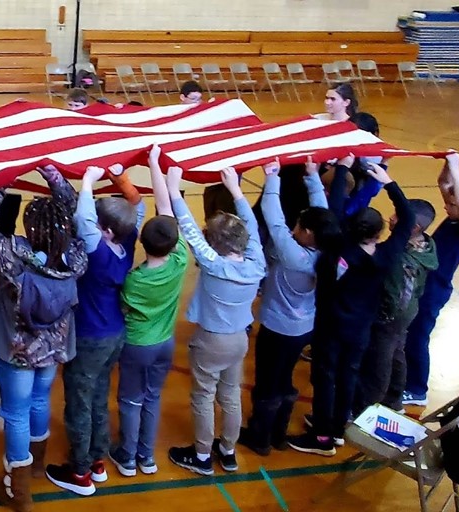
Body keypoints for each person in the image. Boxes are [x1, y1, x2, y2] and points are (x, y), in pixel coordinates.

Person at [0, 165, 86, 509]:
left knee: (15, 412)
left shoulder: (13, 256)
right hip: (53, 348)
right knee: (39, 400)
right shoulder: (76, 257)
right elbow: (77, 216)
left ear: (30, 229)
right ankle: (35, 461)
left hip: (17, 351)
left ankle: (17, 490)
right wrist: (55, 178)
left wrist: (2, 179)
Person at [287, 155, 412, 457]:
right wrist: (390, 185)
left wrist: (342, 168)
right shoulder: (386, 255)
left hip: (330, 326)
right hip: (360, 329)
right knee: (349, 374)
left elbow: (337, 207)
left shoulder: (337, 248)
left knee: (325, 377)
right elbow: (407, 219)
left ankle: (321, 437)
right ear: (379, 233)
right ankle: (339, 426)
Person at [47, 163, 143, 496]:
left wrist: (88, 181)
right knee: (99, 397)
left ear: (108, 231)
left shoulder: (98, 253)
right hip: (115, 333)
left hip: (89, 337)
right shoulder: (126, 245)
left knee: (79, 404)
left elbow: (84, 221)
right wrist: (119, 177)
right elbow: (138, 206)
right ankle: (98, 458)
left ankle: (80, 472)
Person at [166, 165, 266, 476]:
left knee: (204, 396)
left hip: (211, 339)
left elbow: (190, 232)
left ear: (214, 243)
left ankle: (201, 455)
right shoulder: (256, 262)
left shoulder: (214, 265)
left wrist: (173, 190)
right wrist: (236, 191)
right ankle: (228, 450)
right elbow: (251, 229)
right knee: (231, 393)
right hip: (238, 339)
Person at [238, 157, 340, 456]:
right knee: (284, 379)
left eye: (300, 224)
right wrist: (311, 177)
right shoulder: (328, 251)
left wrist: (272, 177)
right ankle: (278, 433)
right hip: (303, 326)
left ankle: (260, 436)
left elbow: (273, 218)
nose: (295, 225)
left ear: (308, 233)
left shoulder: (294, 255)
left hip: (277, 328)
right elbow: (325, 216)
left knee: (268, 383)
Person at [111, 147, 186, 477]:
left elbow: (122, 305)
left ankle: (126, 456)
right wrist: (158, 167)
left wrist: (153, 162)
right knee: (152, 398)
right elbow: (166, 206)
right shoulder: (181, 259)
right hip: (165, 343)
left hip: (137, 345)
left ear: (142, 242)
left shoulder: (134, 279)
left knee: (130, 400)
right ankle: (146, 456)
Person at [403, 152, 459, 406]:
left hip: (433, 289)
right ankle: (406, 375)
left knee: (418, 335)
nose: (446, 206)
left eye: (451, 205)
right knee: (408, 332)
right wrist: (448, 166)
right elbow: (444, 185)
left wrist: (457, 167)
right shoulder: (455, 217)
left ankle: (418, 389)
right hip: (422, 284)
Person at [355, 196, 437, 415]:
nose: (391, 219)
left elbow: (393, 294)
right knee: (396, 352)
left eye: (397, 217)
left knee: (378, 360)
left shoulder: (399, 259)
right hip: (408, 311)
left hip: (392, 315)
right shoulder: (427, 246)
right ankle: (394, 400)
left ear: (414, 227)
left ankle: (365, 408)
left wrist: (383, 317)